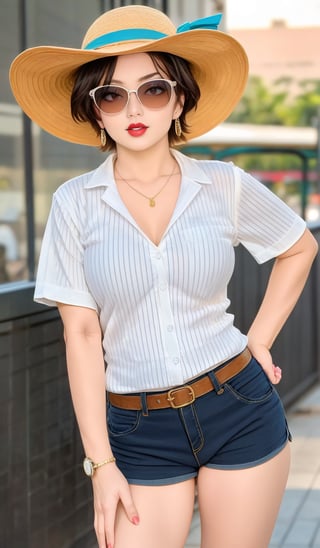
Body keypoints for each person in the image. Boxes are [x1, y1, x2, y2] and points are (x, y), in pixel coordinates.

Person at [10, 5, 318, 548]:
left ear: (178, 98)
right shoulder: (73, 204)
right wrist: (101, 464)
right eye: (111, 94)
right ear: (94, 111)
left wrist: (260, 340)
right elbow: (80, 336)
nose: (134, 108)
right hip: (137, 428)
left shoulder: (225, 184)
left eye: (152, 89)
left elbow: (299, 246)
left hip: (239, 403)